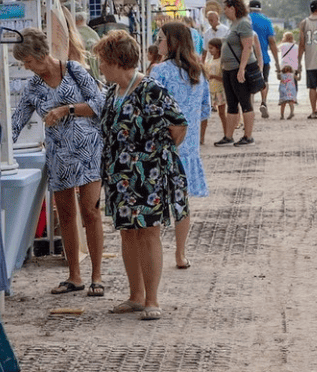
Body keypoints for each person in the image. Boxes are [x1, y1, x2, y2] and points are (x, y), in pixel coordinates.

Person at [94, 29, 188, 320]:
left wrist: (152, 155)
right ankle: (135, 296)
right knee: (127, 234)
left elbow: (178, 125)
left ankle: (152, 299)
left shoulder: (151, 89)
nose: (100, 66)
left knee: (148, 233)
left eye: (102, 60)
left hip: (148, 175)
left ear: (116, 60)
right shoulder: (113, 92)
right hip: (120, 176)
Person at [11, 28, 105, 296]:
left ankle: (97, 275)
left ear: (40, 54)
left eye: (28, 61)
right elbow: (17, 121)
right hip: (59, 154)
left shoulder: (73, 70)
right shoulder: (33, 86)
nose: (27, 67)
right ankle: (74, 275)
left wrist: (67, 109)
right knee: (65, 214)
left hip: (88, 151)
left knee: (91, 212)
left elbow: (98, 103)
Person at [149, 21, 211, 269]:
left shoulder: (159, 71)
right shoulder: (198, 71)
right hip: (188, 147)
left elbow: (151, 108)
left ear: (172, 42)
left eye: (161, 38)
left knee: (155, 202)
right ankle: (180, 253)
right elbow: (206, 109)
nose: (157, 42)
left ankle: (157, 252)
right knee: (182, 203)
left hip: (163, 144)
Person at [215, 0, 261, 147]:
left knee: (245, 102)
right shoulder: (234, 24)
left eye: (226, 8)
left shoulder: (243, 24)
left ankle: (248, 136)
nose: (224, 11)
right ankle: (228, 136)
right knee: (232, 103)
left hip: (238, 69)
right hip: (229, 69)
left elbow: (248, 47)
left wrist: (241, 69)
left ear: (233, 8)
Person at [248, 0, 280, 118]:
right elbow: (272, 42)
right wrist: (277, 63)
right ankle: (263, 102)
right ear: (260, 8)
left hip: (248, 57)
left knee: (248, 82)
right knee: (264, 80)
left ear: (249, 7)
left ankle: (249, 107)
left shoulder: (245, 20)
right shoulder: (266, 21)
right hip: (264, 57)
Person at [202, 36, 227, 143]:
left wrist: (213, 77)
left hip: (220, 90)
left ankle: (227, 134)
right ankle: (201, 138)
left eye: (212, 48)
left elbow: (225, 78)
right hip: (209, 90)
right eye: (209, 48)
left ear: (218, 48)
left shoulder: (222, 61)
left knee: (222, 114)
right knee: (204, 114)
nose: (210, 50)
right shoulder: (209, 60)